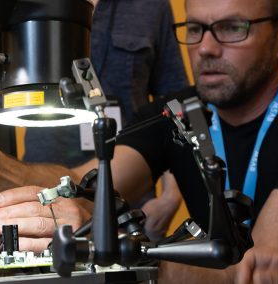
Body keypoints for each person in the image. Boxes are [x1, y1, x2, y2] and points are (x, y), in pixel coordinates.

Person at [0, 0, 278, 282]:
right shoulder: (181, 113)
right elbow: (82, 181)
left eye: (233, 27)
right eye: (194, 28)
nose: (205, 47)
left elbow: (259, 269)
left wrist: (115, 246)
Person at [23, 0, 189, 239]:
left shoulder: (152, 6)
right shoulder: (26, 3)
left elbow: (174, 104)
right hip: (45, 199)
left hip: (129, 203)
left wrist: (170, 197)